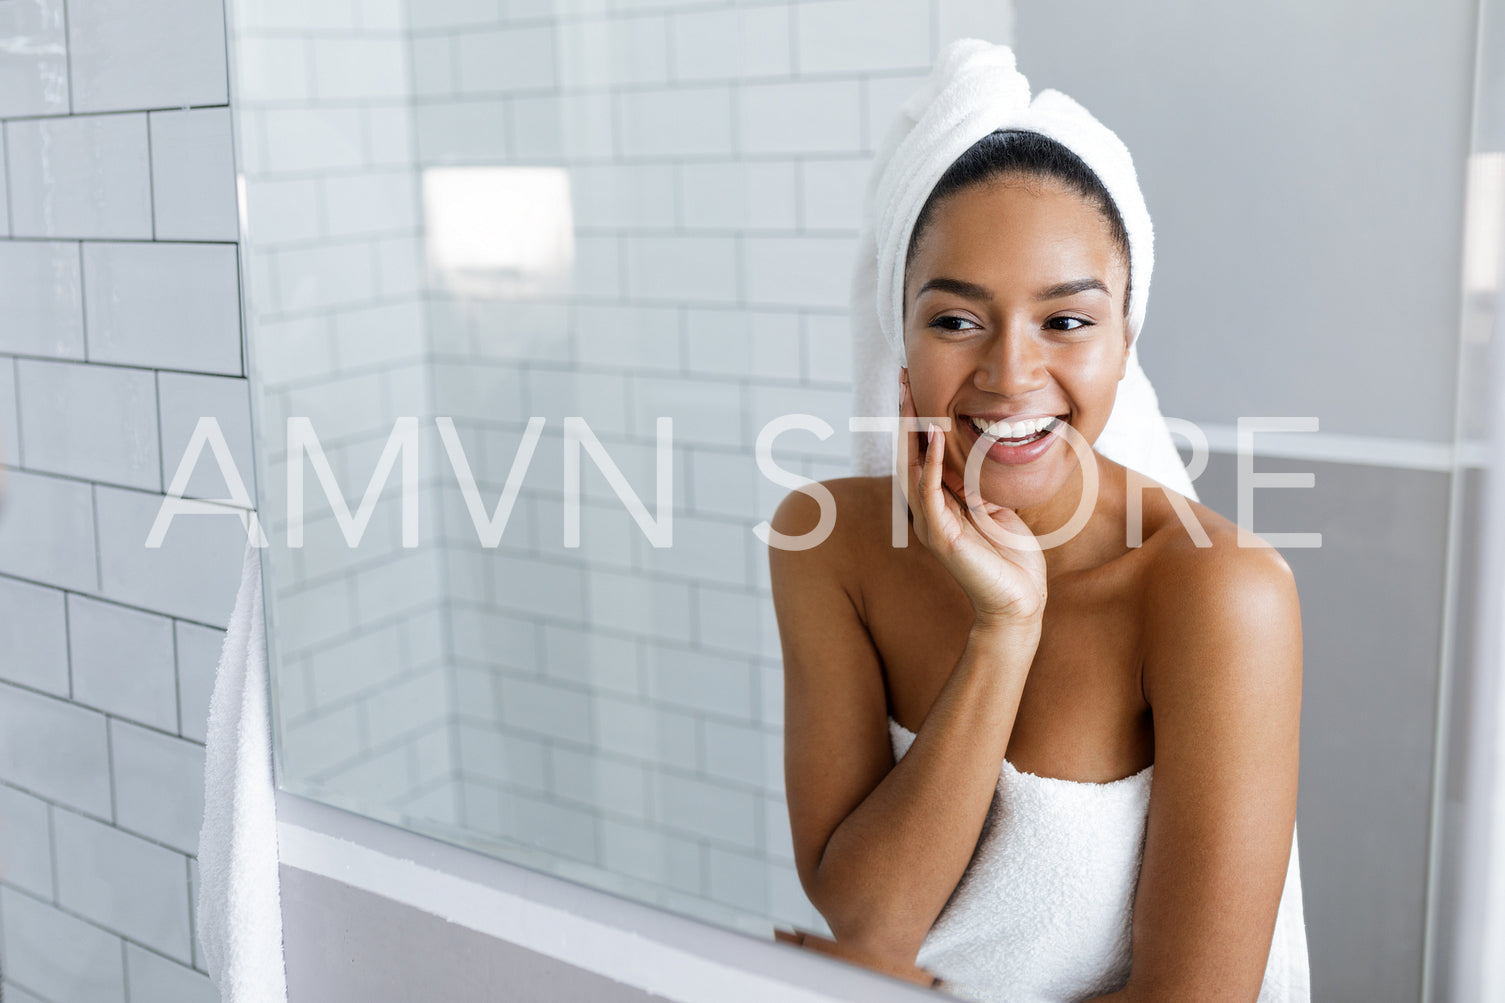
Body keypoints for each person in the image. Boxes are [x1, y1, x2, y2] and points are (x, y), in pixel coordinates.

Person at [767, 44, 1309, 1003]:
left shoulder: (1217, 591)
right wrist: (1002, 631)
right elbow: (872, 921)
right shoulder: (824, 542)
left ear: (1125, 339)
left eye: (1064, 322)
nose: (1010, 375)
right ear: (901, 335)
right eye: (956, 320)